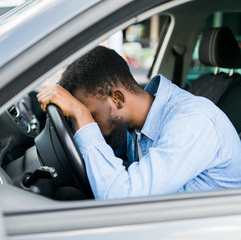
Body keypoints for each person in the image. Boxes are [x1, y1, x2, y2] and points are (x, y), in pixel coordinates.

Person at [37, 46, 241, 200]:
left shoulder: (193, 122)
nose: (89, 122)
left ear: (117, 99)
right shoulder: (137, 124)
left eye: (92, 114)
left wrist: (80, 114)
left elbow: (121, 199)